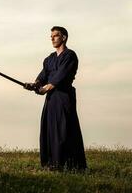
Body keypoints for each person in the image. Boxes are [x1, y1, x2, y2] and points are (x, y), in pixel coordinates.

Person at [24, 26, 87, 171]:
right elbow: (42, 76)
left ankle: (70, 165)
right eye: (51, 36)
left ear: (63, 37)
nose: (52, 38)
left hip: (64, 97)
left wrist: (45, 88)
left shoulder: (70, 55)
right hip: (51, 99)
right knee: (49, 129)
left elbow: (61, 76)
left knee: (64, 130)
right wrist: (34, 85)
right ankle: (52, 164)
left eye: (55, 35)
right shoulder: (49, 59)